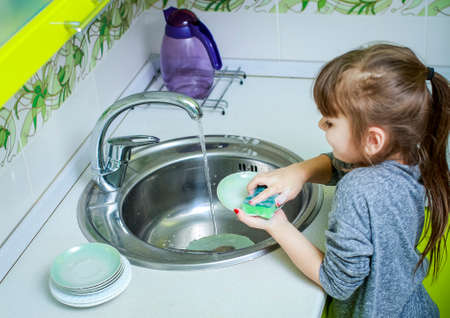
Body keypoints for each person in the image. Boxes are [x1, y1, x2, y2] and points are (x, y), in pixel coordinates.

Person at [234, 44, 449, 317]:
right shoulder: (413, 153)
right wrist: (299, 171)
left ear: (373, 140)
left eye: (331, 121)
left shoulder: (357, 190)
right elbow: (345, 164)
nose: (321, 125)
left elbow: (337, 283)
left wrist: (276, 224)